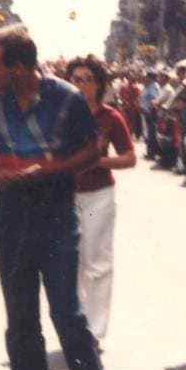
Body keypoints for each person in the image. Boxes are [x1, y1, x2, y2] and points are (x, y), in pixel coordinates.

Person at [0, 26, 113, 370]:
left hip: (55, 212)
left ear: (19, 67)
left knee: (67, 314)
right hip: (10, 214)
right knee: (20, 318)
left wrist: (51, 170)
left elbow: (92, 150)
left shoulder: (66, 98)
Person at [65, 56, 135, 349]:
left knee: (97, 261)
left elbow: (129, 158)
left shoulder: (110, 117)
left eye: (88, 80)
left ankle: (94, 330)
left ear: (100, 84)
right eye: (76, 80)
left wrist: (99, 161)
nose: (82, 86)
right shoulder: (60, 114)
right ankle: (74, 324)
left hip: (98, 195)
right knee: (70, 262)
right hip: (65, 195)